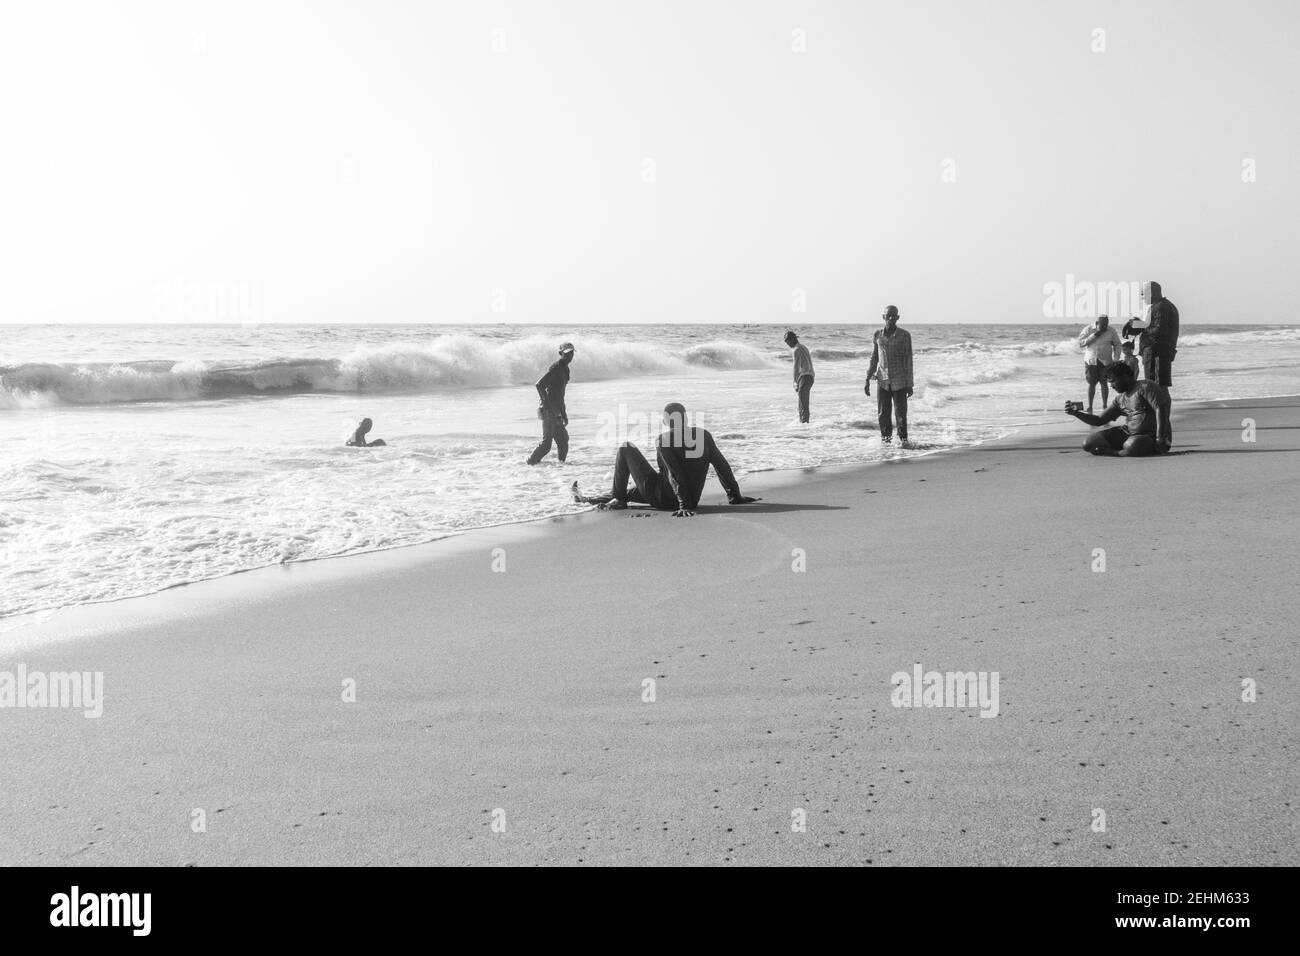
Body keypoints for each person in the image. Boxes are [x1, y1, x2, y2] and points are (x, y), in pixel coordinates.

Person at [571, 402, 759, 517]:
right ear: (685, 418)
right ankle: (586, 499)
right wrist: (734, 496)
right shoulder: (703, 435)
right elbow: (722, 466)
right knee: (628, 492)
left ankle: (618, 500)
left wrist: (683, 505)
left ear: (667, 420)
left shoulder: (664, 439)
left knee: (625, 448)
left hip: (668, 498)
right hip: (685, 498)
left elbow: (675, 472)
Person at [1065, 361, 1171, 456]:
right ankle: (1122, 451)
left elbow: (1160, 408)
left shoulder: (1145, 386)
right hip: (1128, 432)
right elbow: (1099, 420)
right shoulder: (1119, 399)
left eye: (1112, 381)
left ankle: (1115, 452)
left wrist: (1160, 438)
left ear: (1125, 377)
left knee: (1132, 445)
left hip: (1150, 435)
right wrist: (1076, 413)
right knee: (1089, 442)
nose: (1111, 386)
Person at [864, 305, 914, 446]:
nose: (891, 318)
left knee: (901, 415)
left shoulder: (904, 336)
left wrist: (910, 384)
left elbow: (908, 359)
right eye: (888, 315)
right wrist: (867, 378)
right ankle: (886, 443)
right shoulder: (877, 335)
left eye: (894, 315)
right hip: (882, 381)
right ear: (883, 317)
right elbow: (874, 358)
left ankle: (904, 442)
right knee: (883, 414)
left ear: (898, 317)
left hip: (900, 381)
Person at [1122, 280, 1179, 387]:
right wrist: (1140, 324)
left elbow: (1160, 330)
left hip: (1156, 352)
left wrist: (1142, 328)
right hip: (1161, 351)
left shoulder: (1160, 307)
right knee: (1160, 384)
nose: (1141, 295)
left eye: (1143, 293)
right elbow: (1156, 327)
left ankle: (1158, 404)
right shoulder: (1164, 305)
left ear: (1152, 293)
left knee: (1154, 384)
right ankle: (1160, 403)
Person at [526, 342, 575, 465]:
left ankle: (561, 467)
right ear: (561, 353)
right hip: (548, 411)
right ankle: (529, 464)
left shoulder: (565, 369)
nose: (570, 355)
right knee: (546, 445)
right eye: (567, 353)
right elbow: (539, 385)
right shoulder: (556, 368)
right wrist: (547, 407)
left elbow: (560, 394)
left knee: (563, 440)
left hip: (556, 411)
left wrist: (563, 413)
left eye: (572, 352)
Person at [1077, 314, 1122, 413]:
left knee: (1104, 383)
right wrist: (1096, 334)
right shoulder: (1088, 329)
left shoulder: (1111, 331)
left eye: (1107, 324)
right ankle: (1090, 406)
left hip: (1106, 361)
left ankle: (1105, 406)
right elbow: (1081, 343)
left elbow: (1117, 344)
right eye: (1103, 324)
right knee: (1091, 383)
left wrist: (1116, 357)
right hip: (1091, 360)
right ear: (1097, 323)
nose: (1105, 326)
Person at [785, 330, 815, 423]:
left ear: (792, 339)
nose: (787, 344)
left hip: (804, 377)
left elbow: (796, 367)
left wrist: (795, 382)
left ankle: (804, 425)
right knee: (803, 403)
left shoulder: (796, 350)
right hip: (810, 376)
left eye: (787, 341)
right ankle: (804, 423)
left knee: (803, 404)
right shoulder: (803, 347)